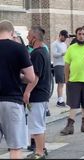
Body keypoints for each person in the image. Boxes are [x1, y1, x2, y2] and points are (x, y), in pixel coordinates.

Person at [0, 20, 35, 159]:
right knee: (15, 147)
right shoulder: (19, 48)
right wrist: (18, 76)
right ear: (12, 32)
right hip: (12, 101)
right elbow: (31, 77)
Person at [23, 26, 51, 159]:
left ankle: (39, 153)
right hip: (43, 94)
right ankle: (42, 148)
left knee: (36, 125)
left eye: (28, 35)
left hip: (37, 95)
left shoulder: (37, 53)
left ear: (34, 37)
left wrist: (27, 92)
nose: (27, 37)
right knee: (40, 123)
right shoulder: (43, 51)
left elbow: (35, 76)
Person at [51, 30, 69, 107]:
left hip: (64, 64)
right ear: (61, 35)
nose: (65, 39)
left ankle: (61, 98)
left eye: (66, 37)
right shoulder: (54, 44)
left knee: (64, 82)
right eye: (64, 37)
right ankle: (59, 100)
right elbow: (54, 54)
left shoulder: (64, 44)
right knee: (60, 82)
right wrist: (63, 53)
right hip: (58, 65)